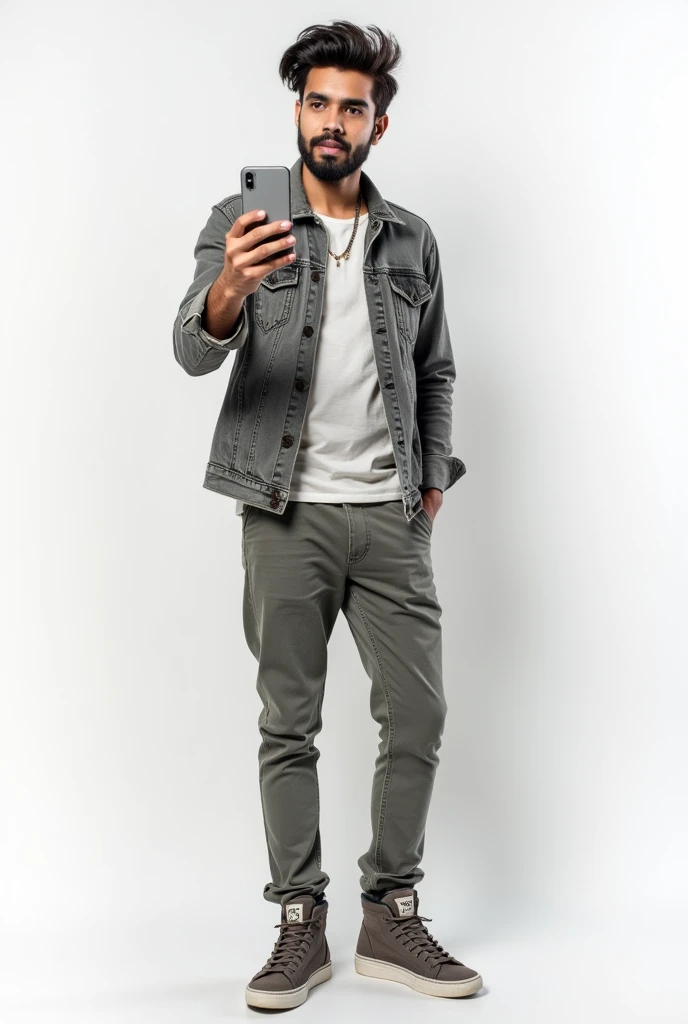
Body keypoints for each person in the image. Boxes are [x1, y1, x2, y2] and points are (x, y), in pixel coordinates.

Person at [173, 18, 482, 1011]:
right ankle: (298, 923)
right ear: (296, 112)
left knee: (418, 710)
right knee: (288, 721)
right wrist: (232, 283)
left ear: (376, 126)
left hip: (391, 515)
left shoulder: (411, 239)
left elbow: (434, 367)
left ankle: (388, 912)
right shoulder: (242, 215)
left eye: (352, 105)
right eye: (317, 102)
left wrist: (430, 479)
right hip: (283, 511)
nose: (332, 122)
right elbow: (190, 346)